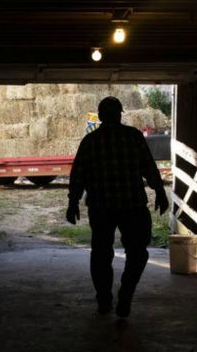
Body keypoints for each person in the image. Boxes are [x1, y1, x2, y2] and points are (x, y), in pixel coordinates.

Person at [67, 96, 169, 317]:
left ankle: (104, 299)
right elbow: (149, 168)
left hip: (101, 207)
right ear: (120, 114)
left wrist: (73, 202)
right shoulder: (133, 137)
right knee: (138, 253)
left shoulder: (90, 141)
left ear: (101, 116)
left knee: (101, 254)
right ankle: (126, 293)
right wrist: (160, 192)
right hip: (132, 205)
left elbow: (78, 175)